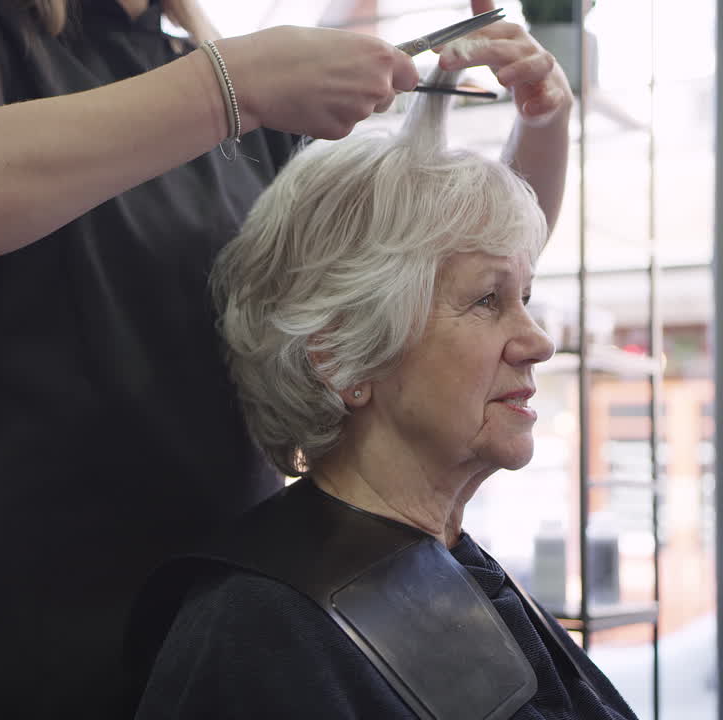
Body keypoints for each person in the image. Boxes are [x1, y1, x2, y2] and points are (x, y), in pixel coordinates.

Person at [0, 0, 572, 716]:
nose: (531, 338)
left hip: (227, 629)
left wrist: (542, 127)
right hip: (8, 647)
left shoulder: (244, 106)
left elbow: (417, 304)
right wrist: (234, 85)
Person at [127, 69, 633, 720]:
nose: (539, 342)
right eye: (487, 299)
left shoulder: (448, 569)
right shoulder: (258, 629)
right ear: (342, 357)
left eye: (525, 298)